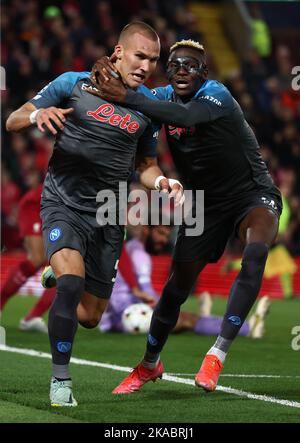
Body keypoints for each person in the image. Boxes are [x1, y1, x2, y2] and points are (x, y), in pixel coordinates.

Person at [5, 21, 184, 407]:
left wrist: (163, 183)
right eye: (140, 56)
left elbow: (146, 166)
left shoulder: (147, 108)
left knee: (90, 316)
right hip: (64, 203)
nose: (146, 66)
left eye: (153, 60)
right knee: (70, 284)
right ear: (119, 52)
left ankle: (60, 268)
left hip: (108, 216)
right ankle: (61, 381)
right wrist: (37, 116)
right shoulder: (72, 83)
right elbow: (13, 119)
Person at [91, 39, 282, 394]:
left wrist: (128, 96)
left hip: (251, 194)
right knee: (177, 288)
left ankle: (217, 354)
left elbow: (187, 117)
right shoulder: (160, 97)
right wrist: (107, 75)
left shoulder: (217, 94)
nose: (182, 70)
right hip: (203, 205)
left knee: (255, 254)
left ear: (204, 72)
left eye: (190, 65)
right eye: (175, 64)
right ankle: (149, 364)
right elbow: (127, 95)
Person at [99, 224, 270, 338]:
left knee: (183, 316)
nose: (164, 240)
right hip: (128, 315)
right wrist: (168, 307)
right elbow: (147, 294)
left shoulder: (130, 248)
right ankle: (247, 328)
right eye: (160, 233)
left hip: (115, 315)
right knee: (185, 319)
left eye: (167, 235)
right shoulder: (140, 255)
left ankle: (231, 322)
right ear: (146, 230)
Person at [0, 183, 55, 333]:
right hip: (38, 204)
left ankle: (32, 318)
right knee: (37, 258)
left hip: (64, 212)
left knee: (65, 268)